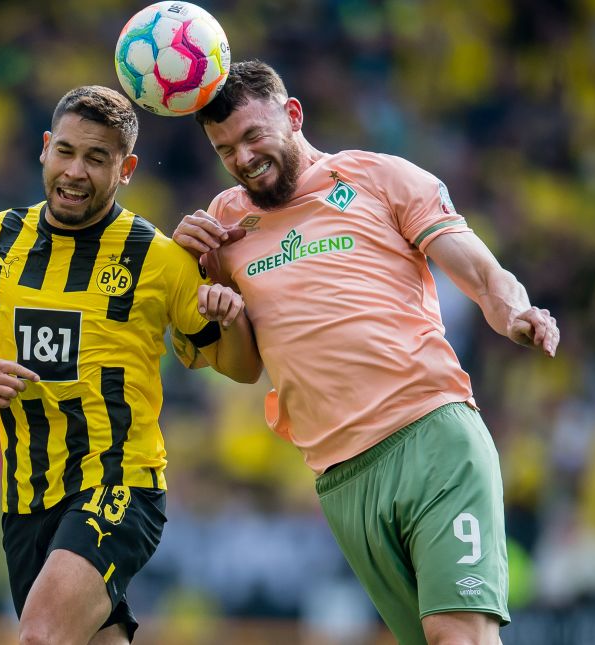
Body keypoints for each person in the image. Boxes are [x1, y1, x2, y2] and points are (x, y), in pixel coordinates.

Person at [172, 61, 560, 645]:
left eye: (254, 136)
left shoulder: (379, 178)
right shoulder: (222, 229)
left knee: (459, 637)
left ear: (293, 115)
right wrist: (202, 298)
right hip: (340, 476)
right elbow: (244, 367)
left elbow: (480, 271)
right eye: (226, 149)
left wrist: (515, 313)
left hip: (432, 436)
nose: (244, 158)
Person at [0, 85, 261, 645]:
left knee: (41, 637)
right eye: (65, 151)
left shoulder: (158, 257)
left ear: (127, 167)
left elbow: (242, 369)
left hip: (120, 482)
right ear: (45, 148)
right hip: (26, 498)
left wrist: (230, 317)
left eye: (96, 158)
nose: (74, 171)